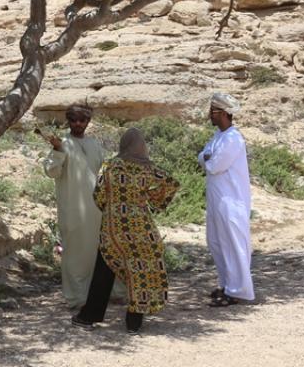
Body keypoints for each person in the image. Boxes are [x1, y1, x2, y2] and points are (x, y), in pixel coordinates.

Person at [72, 127, 180, 332]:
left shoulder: (110, 166)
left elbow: (99, 195)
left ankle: (89, 317)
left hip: (114, 230)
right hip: (143, 230)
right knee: (141, 271)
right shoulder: (148, 169)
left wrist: (111, 208)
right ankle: (134, 322)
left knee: (104, 271)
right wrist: (153, 201)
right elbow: (171, 184)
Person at [41, 105, 110, 308]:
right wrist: (56, 150)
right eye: (74, 120)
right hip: (72, 209)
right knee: (74, 253)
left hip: (96, 209)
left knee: (96, 252)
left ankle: (96, 293)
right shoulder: (62, 143)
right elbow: (51, 172)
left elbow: (102, 172)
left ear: (88, 122)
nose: (78, 124)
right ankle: (77, 298)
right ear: (68, 121)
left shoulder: (94, 144)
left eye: (82, 120)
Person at [199, 92, 255, 306]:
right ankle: (226, 284)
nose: (209, 115)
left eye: (212, 111)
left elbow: (213, 165)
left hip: (231, 201)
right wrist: (206, 159)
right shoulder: (217, 137)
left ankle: (239, 290)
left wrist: (207, 159)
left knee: (233, 244)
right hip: (217, 200)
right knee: (216, 242)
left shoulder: (232, 138)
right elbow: (202, 157)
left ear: (222, 113)